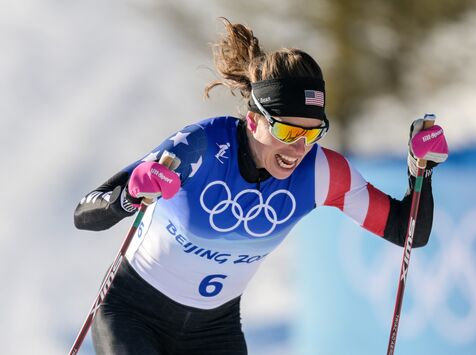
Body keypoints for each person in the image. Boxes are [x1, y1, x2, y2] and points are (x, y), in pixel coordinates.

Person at [74, 18, 448, 355]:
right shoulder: (200, 147)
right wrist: (128, 196)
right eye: (286, 130)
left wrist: (421, 170)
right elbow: (85, 214)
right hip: (132, 314)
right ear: (254, 121)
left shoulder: (323, 173)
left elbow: (407, 230)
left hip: (213, 332)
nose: (298, 147)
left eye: (312, 132)